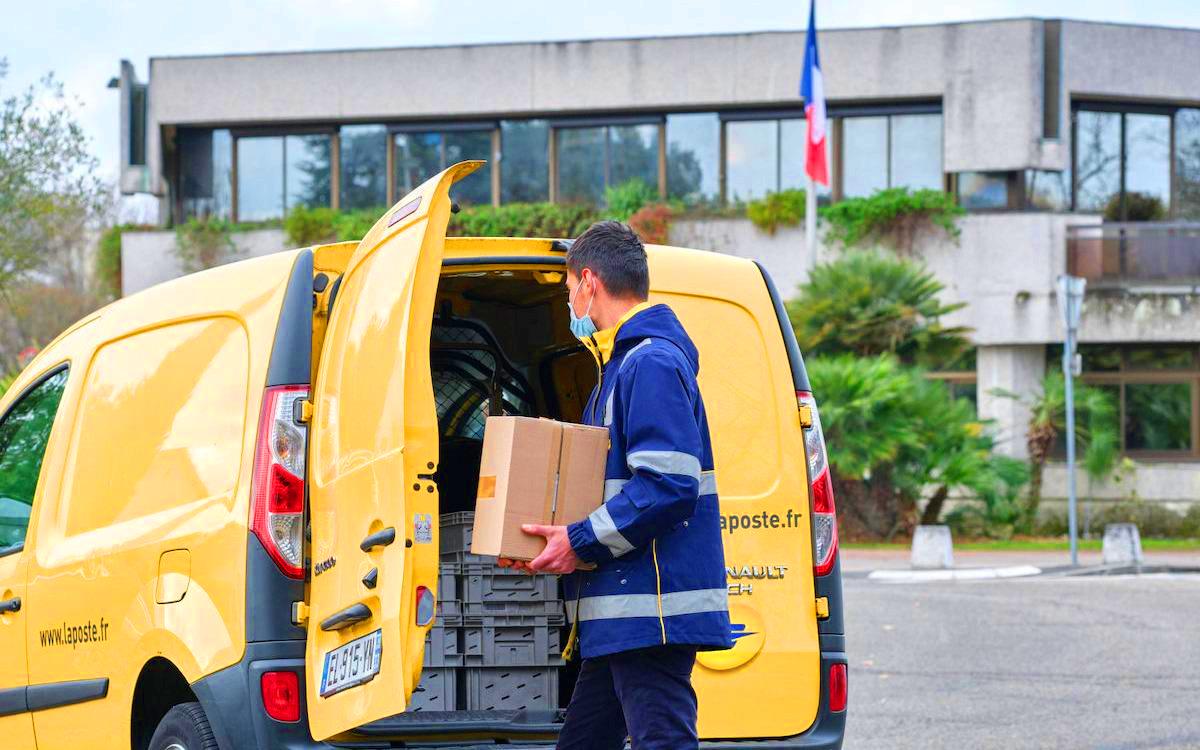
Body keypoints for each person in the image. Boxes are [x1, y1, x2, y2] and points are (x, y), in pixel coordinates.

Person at [506, 221, 732, 750]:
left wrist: (578, 540)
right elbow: (612, 490)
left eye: (568, 292)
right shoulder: (623, 366)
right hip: (622, 611)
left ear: (588, 282)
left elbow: (668, 483)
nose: (571, 304)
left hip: (650, 614)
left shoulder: (648, 363)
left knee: (663, 741)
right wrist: (555, 541)